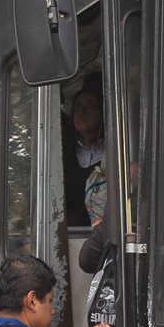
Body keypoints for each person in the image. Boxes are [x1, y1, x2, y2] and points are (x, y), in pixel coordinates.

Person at [63, 74, 104, 229]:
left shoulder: (115, 151)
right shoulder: (62, 154)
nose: (82, 112)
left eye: (90, 106)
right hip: (71, 235)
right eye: (78, 107)